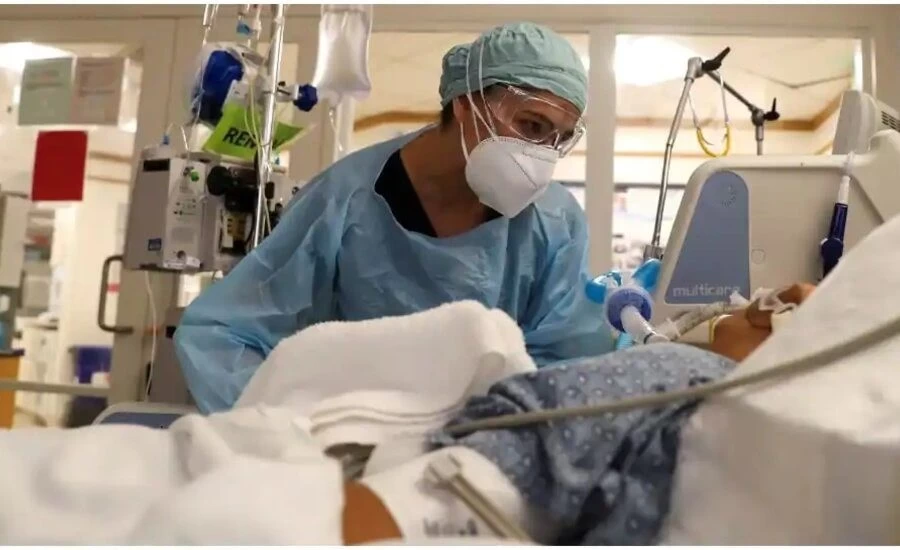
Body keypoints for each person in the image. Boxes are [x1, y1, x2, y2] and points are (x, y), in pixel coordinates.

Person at [176, 21, 612, 414]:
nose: (542, 154)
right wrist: (294, 431)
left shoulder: (553, 221)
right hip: (353, 437)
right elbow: (219, 333)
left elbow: (566, 361)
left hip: (481, 445)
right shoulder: (343, 201)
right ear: (466, 102)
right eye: (532, 126)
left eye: (560, 138)